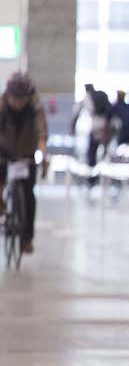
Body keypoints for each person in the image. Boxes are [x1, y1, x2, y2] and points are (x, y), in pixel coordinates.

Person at [0, 73, 48, 254]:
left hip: (26, 153)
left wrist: (42, 152)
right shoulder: (2, 105)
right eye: (15, 98)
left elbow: (42, 131)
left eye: (22, 98)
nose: (18, 102)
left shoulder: (35, 108)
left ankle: (26, 239)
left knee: (29, 195)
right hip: (4, 150)